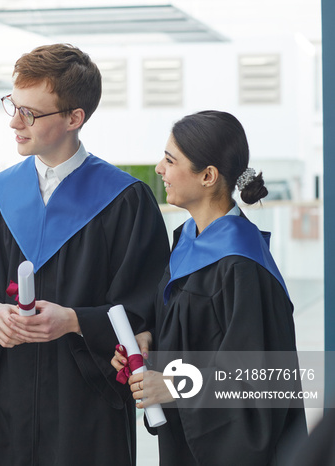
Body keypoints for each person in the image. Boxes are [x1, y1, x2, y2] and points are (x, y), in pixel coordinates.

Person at [0, 43, 169, 465]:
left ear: (73, 118)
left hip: (87, 409)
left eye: (29, 112)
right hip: (4, 403)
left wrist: (75, 321)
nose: (14, 121)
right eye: (13, 105)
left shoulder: (125, 201)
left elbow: (145, 310)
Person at [112, 110, 307, 465]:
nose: (159, 168)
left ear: (208, 176)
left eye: (170, 160)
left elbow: (255, 379)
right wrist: (147, 347)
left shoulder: (242, 266)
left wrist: (172, 385)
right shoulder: (186, 242)